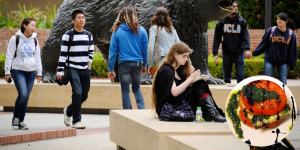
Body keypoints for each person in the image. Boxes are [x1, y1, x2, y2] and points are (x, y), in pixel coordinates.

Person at [152, 42, 226, 122]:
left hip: (177, 103)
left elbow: (184, 88)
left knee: (200, 84)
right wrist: (191, 78)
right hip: (170, 107)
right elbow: (175, 92)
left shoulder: (178, 71)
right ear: (175, 55)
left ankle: (212, 113)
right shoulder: (166, 70)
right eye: (184, 56)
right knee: (200, 85)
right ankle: (213, 113)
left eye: (187, 57)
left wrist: (195, 80)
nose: (186, 59)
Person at [56, 10, 94, 129]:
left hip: (85, 69)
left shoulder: (88, 35)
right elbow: (63, 54)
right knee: (77, 93)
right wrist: (60, 71)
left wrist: (89, 66)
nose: (82, 20)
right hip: (72, 68)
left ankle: (68, 110)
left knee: (84, 95)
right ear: (73, 21)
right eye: (79, 18)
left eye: (83, 17)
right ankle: (77, 121)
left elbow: (91, 52)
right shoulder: (68, 35)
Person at [4, 18, 42, 130]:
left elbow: (37, 57)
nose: (34, 28)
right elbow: (9, 56)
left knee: (26, 97)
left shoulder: (35, 40)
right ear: (25, 25)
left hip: (31, 73)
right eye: (32, 25)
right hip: (18, 71)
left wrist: (39, 72)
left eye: (35, 26)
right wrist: (7, 72)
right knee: (23, 95)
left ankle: (21, 121)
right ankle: (16, 118)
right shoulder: (15, 39)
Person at [108, 7, 148, 109]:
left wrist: (111, 69)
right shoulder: (142, 30)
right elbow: (145, 51)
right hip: (137, 64)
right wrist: (144, 65)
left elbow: (113, 52)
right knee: (137, 89)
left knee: (125, 91)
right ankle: (142, 111)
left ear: (121, 16)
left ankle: (128, 114)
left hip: (124, 65)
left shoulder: (117, 31)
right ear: (134, 16)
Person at [245, 13, 297, 85]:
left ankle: (282, 96)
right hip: (270, 60)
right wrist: (253, 53)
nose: (278, 21)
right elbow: (263, 44)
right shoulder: (271, 31)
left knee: (283, 82)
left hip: (283, 61)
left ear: (286, 21)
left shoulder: (291, 34)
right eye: (277, 19)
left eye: (281, 19)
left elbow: (292, 51)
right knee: (268, 81)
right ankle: (268, 96)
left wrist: (292, 66)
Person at [212, 1, 250, 83]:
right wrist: (215, 53)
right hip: (226, 53)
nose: (235, 8)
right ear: (228, 8)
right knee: (226, 79)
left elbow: (245, 37)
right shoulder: (221, 22)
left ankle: (240, 94)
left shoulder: (242, 21)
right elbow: (217, 38)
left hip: (239, 53)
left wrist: (246, 49)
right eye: (233, 6)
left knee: (240, 77)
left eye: (236, 6)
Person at [147, 7, 180, 75]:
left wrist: (150, 65)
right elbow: (180, 46)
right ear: (167, 17)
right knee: (171, 83)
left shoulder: (154, 28)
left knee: (161, 83)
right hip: (173, 60)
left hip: (162, 60)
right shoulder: (172, 29)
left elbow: (150, 47)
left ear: (155, 16)